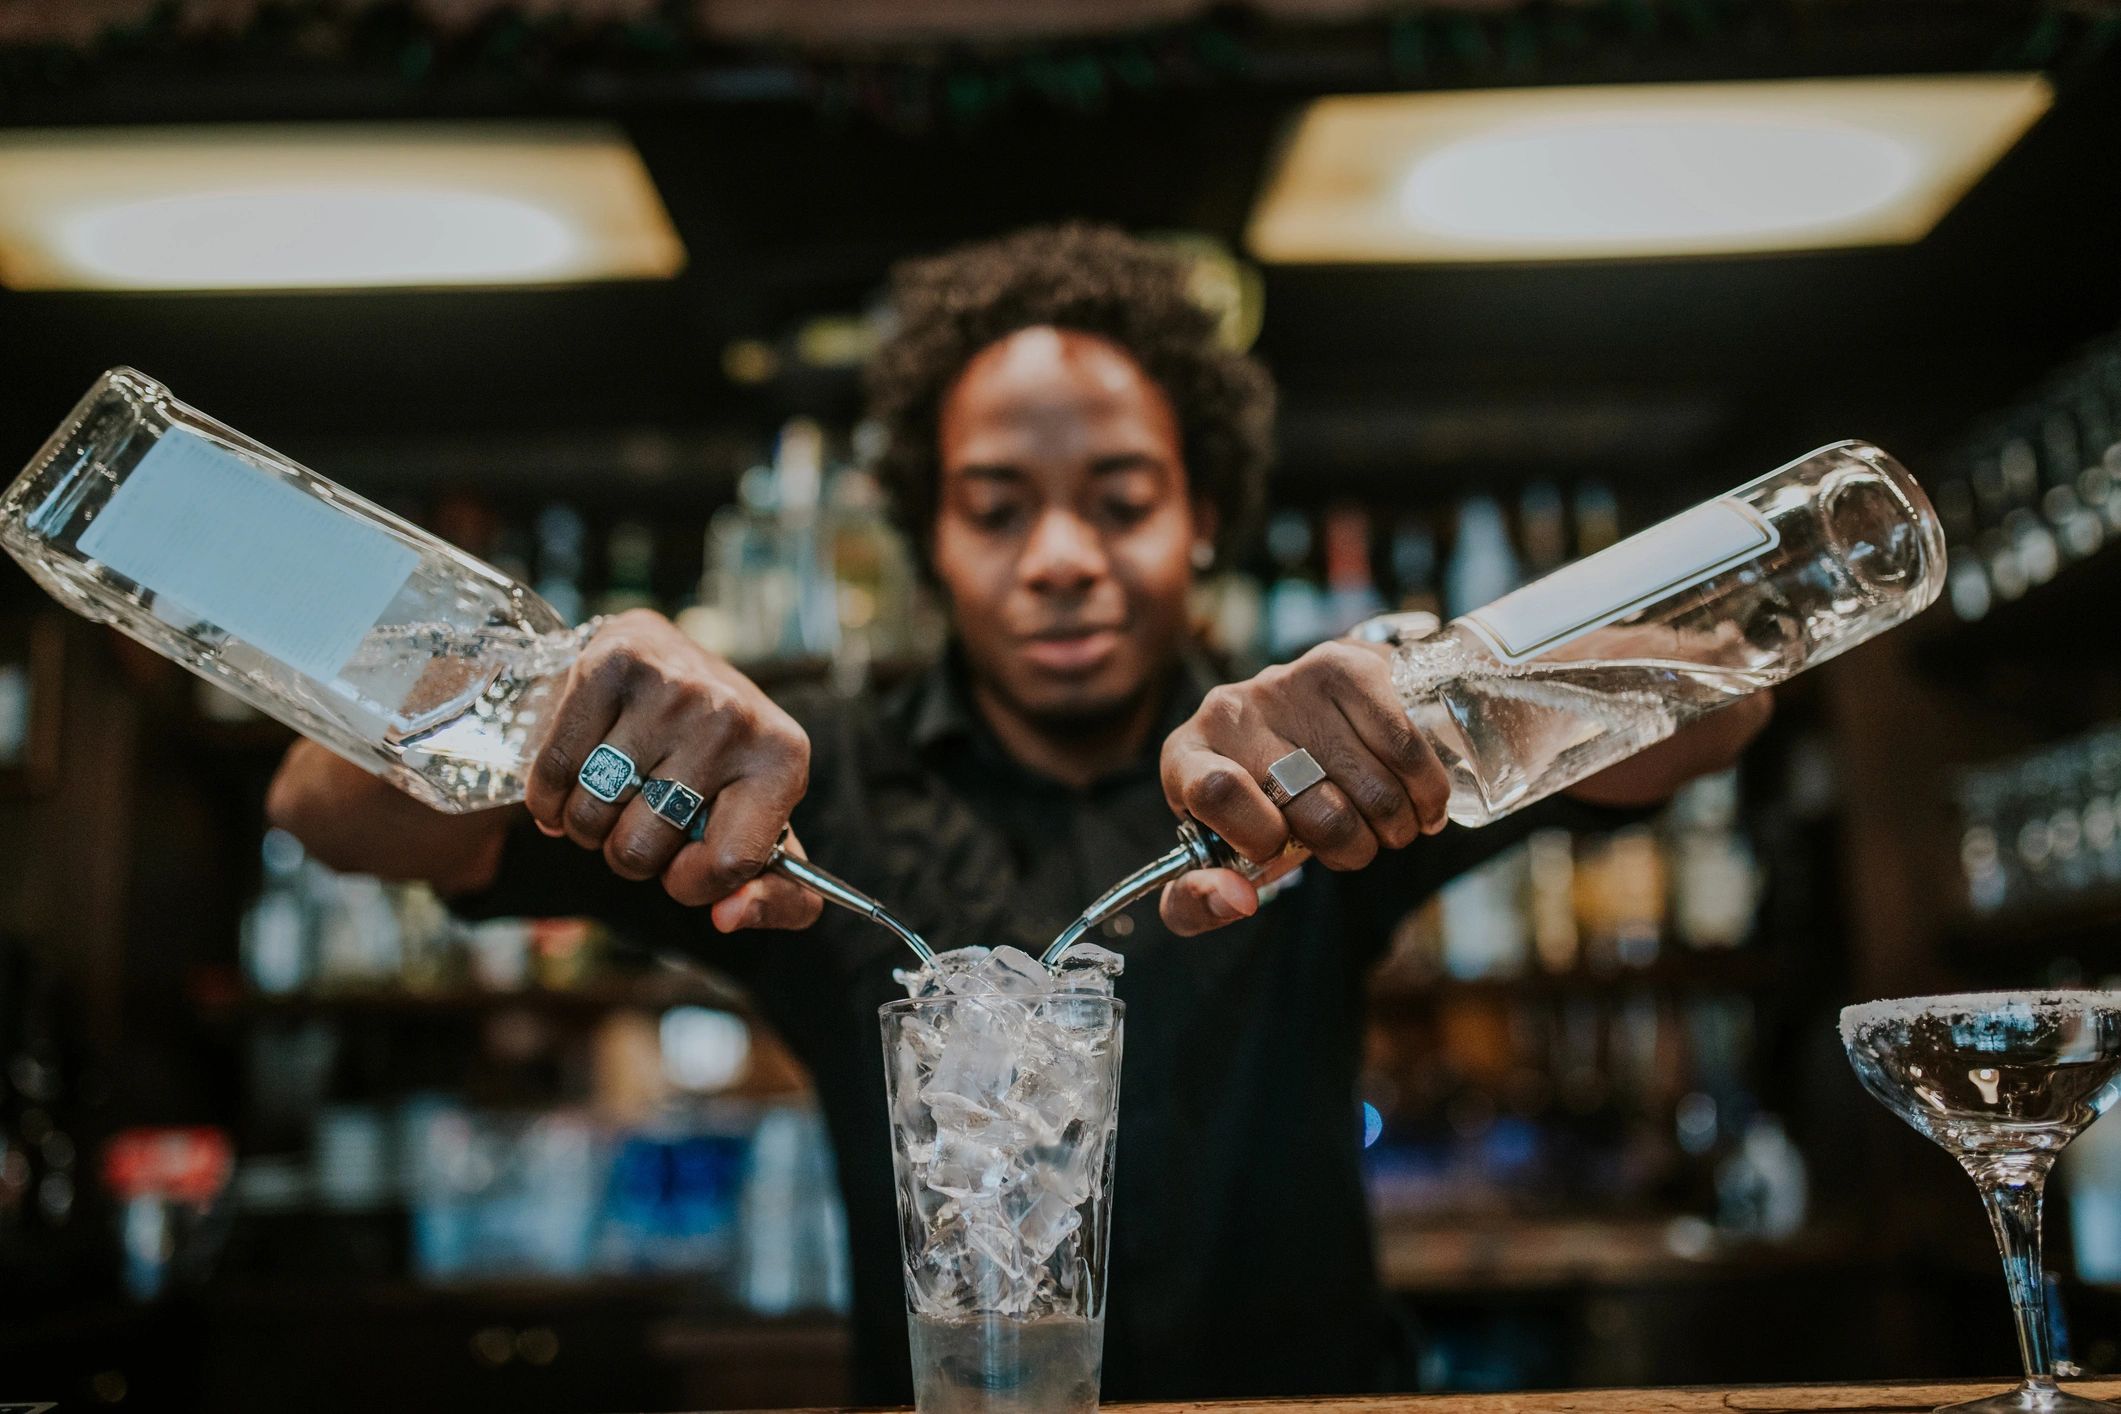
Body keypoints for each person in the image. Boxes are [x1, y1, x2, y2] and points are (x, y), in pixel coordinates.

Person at [267, 224, 1770, 1401]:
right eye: (996, 504)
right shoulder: (805, 789)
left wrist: (1436, 687)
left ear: (1202, 521)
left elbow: (1720, 706)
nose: (1059, 554)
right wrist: (548, 687)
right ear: (927, 533)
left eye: (1119, 497)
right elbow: (325, 806)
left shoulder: (1305, 764)